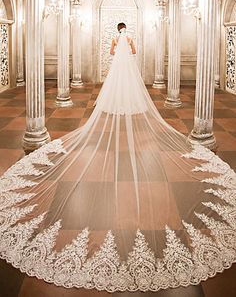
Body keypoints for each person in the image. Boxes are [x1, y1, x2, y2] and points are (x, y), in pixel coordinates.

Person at [0, 23, 235, 293]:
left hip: (117, 71)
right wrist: (128, 49)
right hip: (129, 71)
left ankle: (117, 105)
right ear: (127, 30)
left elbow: (113, 53)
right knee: (131, 93)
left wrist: (116, 49)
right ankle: (129, 105)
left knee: (114, 92)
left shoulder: (115, 39)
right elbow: (132, 52)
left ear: (117, 30)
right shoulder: (131, 38)